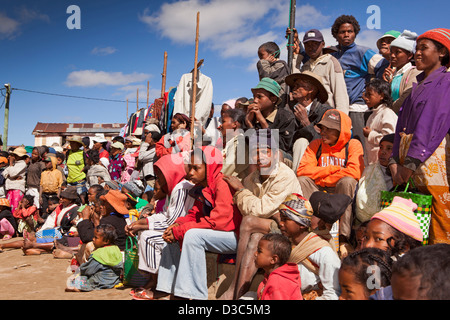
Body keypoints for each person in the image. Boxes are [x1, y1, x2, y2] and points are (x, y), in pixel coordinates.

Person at [220, 130, 302, 300]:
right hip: (268, 229)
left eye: (264, 151)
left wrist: (241, 191)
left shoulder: (284, 175)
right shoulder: (252, 178)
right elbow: (251, 208)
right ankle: (238, 294)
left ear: (274, 153)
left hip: (289, 230)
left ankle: (234, 287)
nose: (259, 157)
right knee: (256, 238)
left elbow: (259, 209)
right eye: (255, 152)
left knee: (249, 222)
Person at [155, 145, 242, 300]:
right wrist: (176, 226)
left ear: (209, 167)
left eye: (197, 168)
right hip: (216, 234)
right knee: (172, 236)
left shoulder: (221, 184)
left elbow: (220, 221)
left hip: (233, 237)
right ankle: (167, 289)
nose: (191, 173)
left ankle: (194, 295)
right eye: (190, 168)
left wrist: (182, 230)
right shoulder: (202, 187)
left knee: (193, 236)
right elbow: (194, 215)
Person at [389, 28, 450, 245]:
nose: (418, 53)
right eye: (417, 49)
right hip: (410, 165)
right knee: (416, 217)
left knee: (438, 217)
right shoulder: (417, 85)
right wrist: (395, 160)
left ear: (442, 52)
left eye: (424, 48)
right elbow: (400, 125)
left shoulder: (446, 82)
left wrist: (412, 162)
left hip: (429, 163)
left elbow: (432, 123)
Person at [126, 153, 195, 300]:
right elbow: (165, 215)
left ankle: (160, 283)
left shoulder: (182, 188)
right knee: (144, 234)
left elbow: (173, 221)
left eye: (160, 174)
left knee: (149, 238)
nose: (158, 178)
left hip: (183, 229)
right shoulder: (173, 188)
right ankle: (156, 280)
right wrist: (139, 223)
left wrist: (143, 226)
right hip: (176, 227)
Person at [297, 109, 365, 252]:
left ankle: (344, 239)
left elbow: (354, 172)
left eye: (329, 129)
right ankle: (309, 230)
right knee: (302, 180)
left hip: (340, 192)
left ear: (341, 130)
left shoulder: (353, 144)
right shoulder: (316, 145)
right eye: (322, 128)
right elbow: (302, 171)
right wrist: (331, 169)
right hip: (319, 190)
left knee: (347, 182)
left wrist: (322, 175)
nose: (323, 132)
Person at [330, 15, 389, 151]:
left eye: (350, 31)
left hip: (357, 109)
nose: (346, 35)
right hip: (338, 109)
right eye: (342, 32)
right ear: (336, 34)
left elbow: (382, 64)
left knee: (358, 146)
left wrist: (373, 89)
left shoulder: (362, 52)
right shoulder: (333, 55)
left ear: (355, 33)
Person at [279, 193, 341, 300]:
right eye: (281, 219)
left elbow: (333, 294)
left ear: (302, 224)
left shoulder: (323, 251)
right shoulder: (283, 245)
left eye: (285, 219)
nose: (280, 223)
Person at [285, 71, 332, 171]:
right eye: (294, 86)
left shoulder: (325, 112)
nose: (294, 89)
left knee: (301, 142)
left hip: (317, 160)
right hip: (292, 156)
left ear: (311, 89)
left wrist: (306, 122)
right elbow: (287, 141)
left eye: (298, 86)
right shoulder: (289, 110)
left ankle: (299, 184)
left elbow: (324, 143)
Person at [296, 29, 349, 113]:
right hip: (308, 115)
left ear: (323, 44)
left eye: (315, 44)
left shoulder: (330, 62)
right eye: (307, 44)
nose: (311, 47)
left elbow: (340, 94)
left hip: (326, 115)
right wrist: (296, 57)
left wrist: (341, 119)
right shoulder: (305, 66)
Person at [245, 78, 296, 159]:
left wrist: (263, 122)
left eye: (259, 97)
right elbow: (250, 144)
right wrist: (249, 124)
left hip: (282, 158)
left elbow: (282, 146)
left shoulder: (286, 117)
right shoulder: (251, 117)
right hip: (259, 157)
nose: (255, 100)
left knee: (274, 153)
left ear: (273, 99)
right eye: (254, 97)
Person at [65, 224, 123, 292]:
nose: (93, 239)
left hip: (99, 282)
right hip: (114, 280)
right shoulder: (115, 249)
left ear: (106, 241)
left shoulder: (98, 254)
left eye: (96, 238)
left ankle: (78, 288)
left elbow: (88, 270)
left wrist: (79, 272)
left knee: (74, 282)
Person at [355, 134, 395, 225]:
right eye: (381, 148)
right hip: (366, 221)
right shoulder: (370, 170)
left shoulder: (402, 174)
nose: (382, 152)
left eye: (389, 149)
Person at [382, 30, 421, 113]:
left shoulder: (414, 72)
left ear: (410, 55)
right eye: (391, 52)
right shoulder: (394, 74)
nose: (392, 55)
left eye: (397, 52)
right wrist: (386, 83)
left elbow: (405, 99)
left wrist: (388, 112)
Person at [254, 233, 302, 300]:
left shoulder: (278, 282)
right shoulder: (272, 276)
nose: (255, 254)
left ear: (273, 259)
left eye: (259, 251)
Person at [362, 78, 398, 165]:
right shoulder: (372, 115)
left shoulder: (387, 114)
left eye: (369, 95)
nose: (366, 98)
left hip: (383, 166)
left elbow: (390, 140)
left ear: (381, 95)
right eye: (365, 95)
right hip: (372, 165)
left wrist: (371, 135)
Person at [218, 108, 249, 180]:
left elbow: (226, 169)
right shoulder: (234, 141)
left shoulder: (239, 142)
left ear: (234, 124)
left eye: (223, 122)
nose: (221, 125)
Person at [257, 41, 290, 108]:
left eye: (261, 55)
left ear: (272, 55)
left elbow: (266, 76)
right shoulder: (272, 67)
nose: (260, 59)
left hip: (280, 101)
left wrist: (263, 62)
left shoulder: (280, 65)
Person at [2, 147, 28, 213]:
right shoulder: (14, 164)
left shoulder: (22, 164)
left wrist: (10, 165)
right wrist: (11, 176)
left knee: (15, 207)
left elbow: (12, 173)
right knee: (8, 207)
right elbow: (4, 173)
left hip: (17, 188)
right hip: (10, 188)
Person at [65, 136, 88, 205]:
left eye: (74, 143)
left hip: (80, 181)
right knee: (70, 202)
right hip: (70, 181)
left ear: (79, 144)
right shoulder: (68, 153)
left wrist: (84, 169)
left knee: (81, 202)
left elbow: (88, 165)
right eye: (71, 143)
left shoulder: (83, 153)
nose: (71, 145)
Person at [25, 147, 46, 211]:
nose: (33, 155)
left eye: (35, 154)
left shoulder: (41, 164)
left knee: (36, 207)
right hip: (28, 187)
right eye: (32, 153)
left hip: (36, 188)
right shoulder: (30, 163)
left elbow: (43, 177)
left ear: (39, 155)